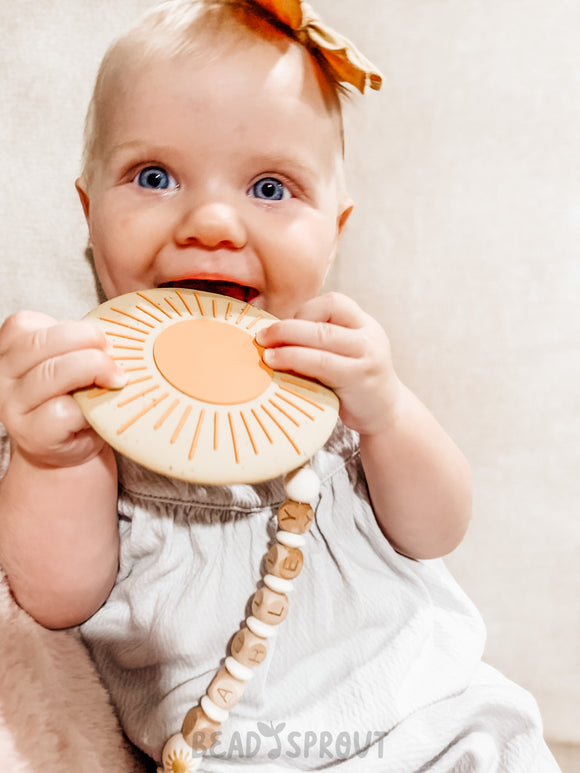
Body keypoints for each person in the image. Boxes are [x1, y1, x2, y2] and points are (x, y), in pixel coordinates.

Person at [0, 1, 560, 770]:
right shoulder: (94, 395)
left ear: (336, 228)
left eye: (270, 188)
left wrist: (389, 412)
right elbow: (56, 600)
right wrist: (50, 459)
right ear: (90, 214)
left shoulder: (329, 372)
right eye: (154, 176)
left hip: (436, 721)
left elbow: (437, 528)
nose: (212, 223)